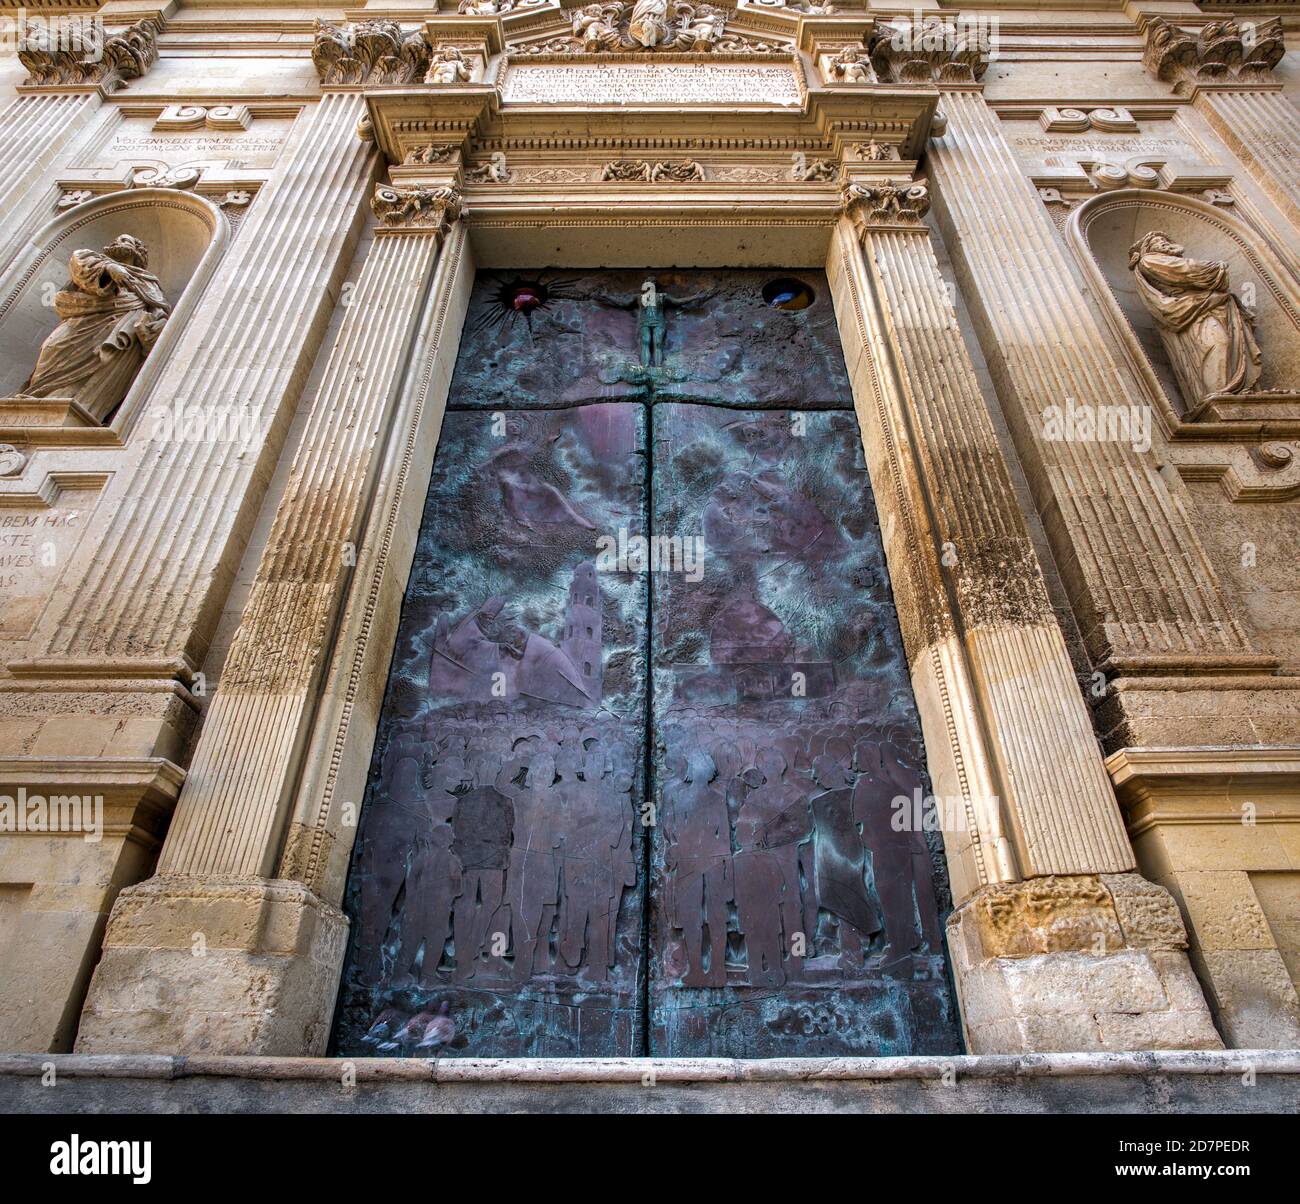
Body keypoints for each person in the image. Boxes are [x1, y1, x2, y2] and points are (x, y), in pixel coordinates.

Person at [22, 234, 169, 422]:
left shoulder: (147, 281)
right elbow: (79, 264)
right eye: (116, 239)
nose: (118, 242)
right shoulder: (91, 258)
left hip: (120, 331)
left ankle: (80, 408)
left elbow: (158, 308)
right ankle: (38, 397)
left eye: (126, 241)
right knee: (54, 347)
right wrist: (108, 268)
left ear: (138, 253)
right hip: (82, 320)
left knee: (106, 361)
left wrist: (155, 325)